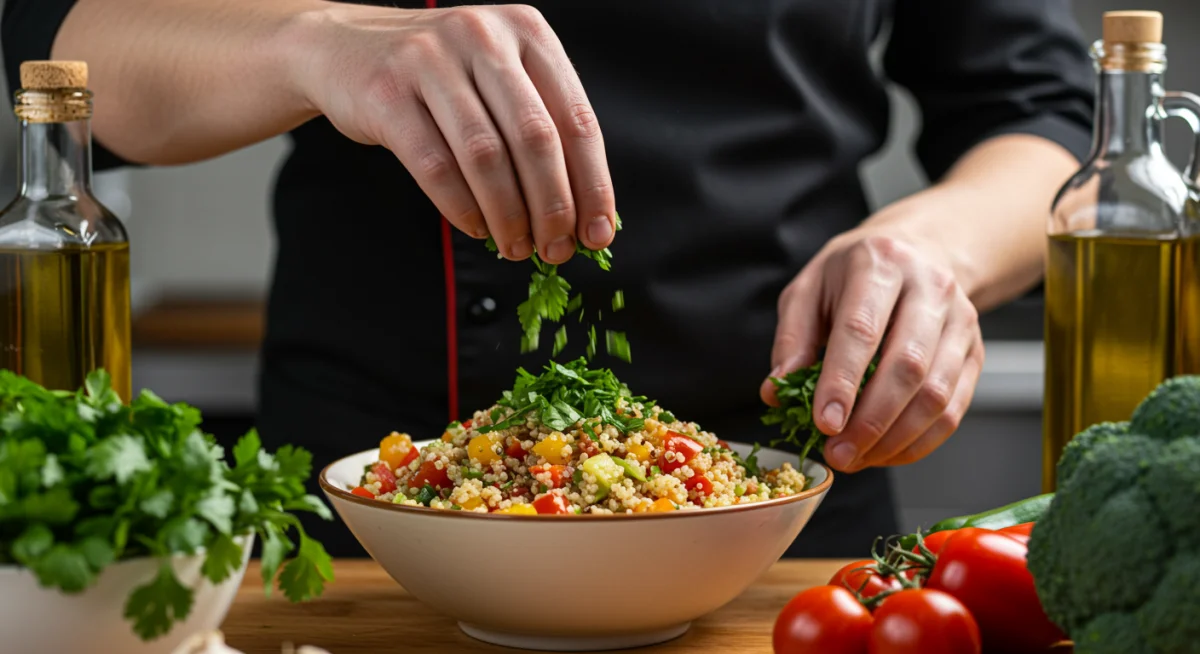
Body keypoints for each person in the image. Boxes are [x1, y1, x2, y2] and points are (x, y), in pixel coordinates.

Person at [2, 0, 1093, 557]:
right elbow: (52, 49)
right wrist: (314, 44)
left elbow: (1047, 120)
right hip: (372, 539)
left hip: (790, 511)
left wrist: (933, 250)